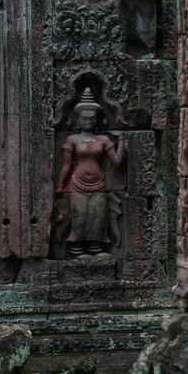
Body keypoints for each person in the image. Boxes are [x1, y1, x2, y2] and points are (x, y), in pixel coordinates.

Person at [56, 88, 125, 257]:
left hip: (98, 184)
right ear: (78, 120)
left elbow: (116, 162)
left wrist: (123, 141)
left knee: (98, 216)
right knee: (80, 216)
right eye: (84, 118)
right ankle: (77, 248)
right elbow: (66, 165)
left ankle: (96, 247)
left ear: (97, 120)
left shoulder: (104, 140)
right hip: (76, 183)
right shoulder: (72, 140)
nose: (88, 121)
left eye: (92, 118)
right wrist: (60, 185)